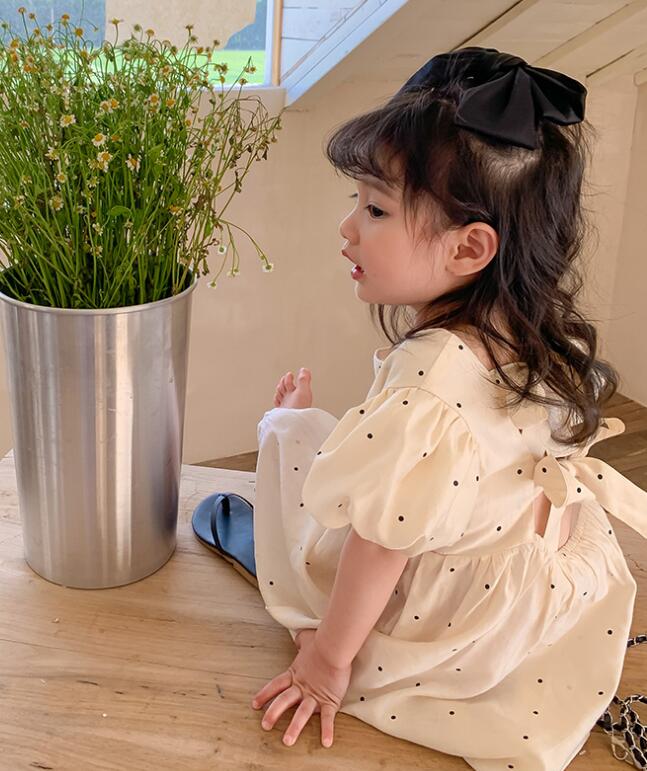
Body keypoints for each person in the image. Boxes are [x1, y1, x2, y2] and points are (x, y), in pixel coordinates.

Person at [248, 47, 647, 769]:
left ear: (469, 249)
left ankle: (302, 432)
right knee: (386, 469)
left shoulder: (428, 384)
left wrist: (327, 661)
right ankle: (335, 445)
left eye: (374, 208)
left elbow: (382, 545)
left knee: (300, 453)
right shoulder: (541, 331)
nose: (347, 228)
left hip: (455, 625)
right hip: (537, 588)